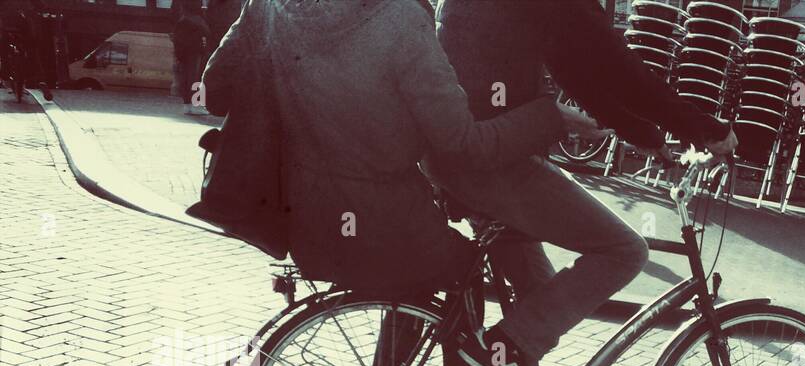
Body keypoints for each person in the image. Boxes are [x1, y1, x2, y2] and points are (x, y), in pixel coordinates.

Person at [201, 1, 603, 315]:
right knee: (461, 268)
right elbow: (463, 143)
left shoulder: (268, 6)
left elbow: (214, 90)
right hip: (383, 218)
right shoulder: (401, 18)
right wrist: (549, 116)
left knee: (415, 284)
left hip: (303, 218)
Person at [432, 0, 738, 366]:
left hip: (463, 150)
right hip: (491, 156)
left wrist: (647, 136)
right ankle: (501, 348)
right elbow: (614, 65)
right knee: (625, 251)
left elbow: (576, 69)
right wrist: (703, 128)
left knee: (538, 302)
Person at [172, 0, 209, 115]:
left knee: (185, 74)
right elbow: (207, 31)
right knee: (197, 74)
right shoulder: (196, 19)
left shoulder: (182, 16)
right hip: (195, 45)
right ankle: (196, 104)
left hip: (183, 45)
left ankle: (187, 104)